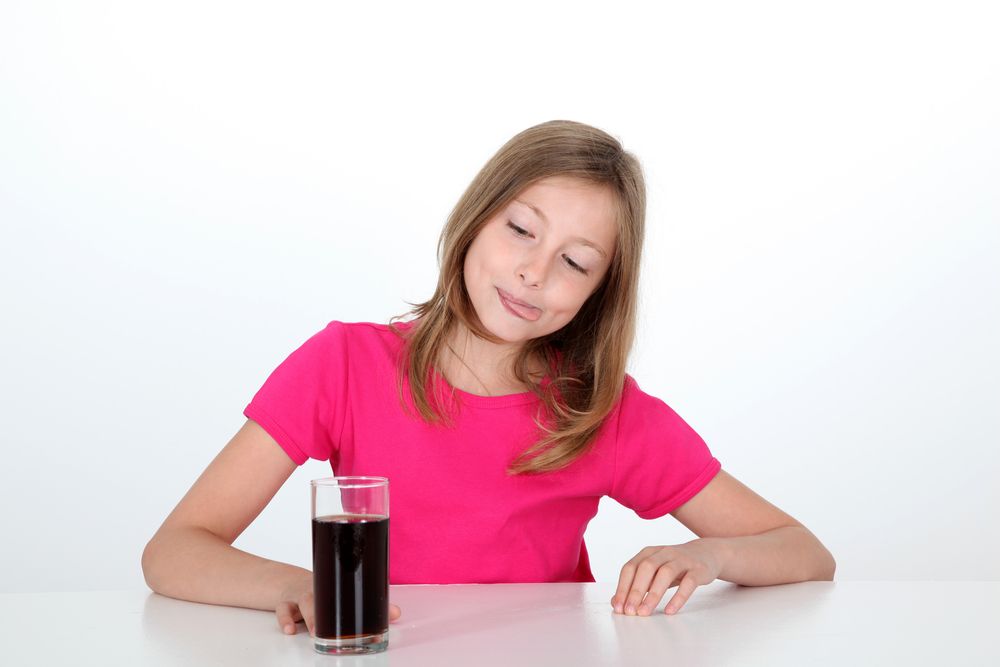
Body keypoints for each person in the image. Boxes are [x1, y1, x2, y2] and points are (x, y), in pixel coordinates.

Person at [141, 120, 836, 637]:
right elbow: (174, 549)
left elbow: (805, 550)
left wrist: (708, 552)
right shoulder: (344, 364)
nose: (534, 271)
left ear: (599, 291)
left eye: (575, 261)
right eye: (522, 230)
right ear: (477, 220)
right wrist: (299, 584)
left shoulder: (604, 412)